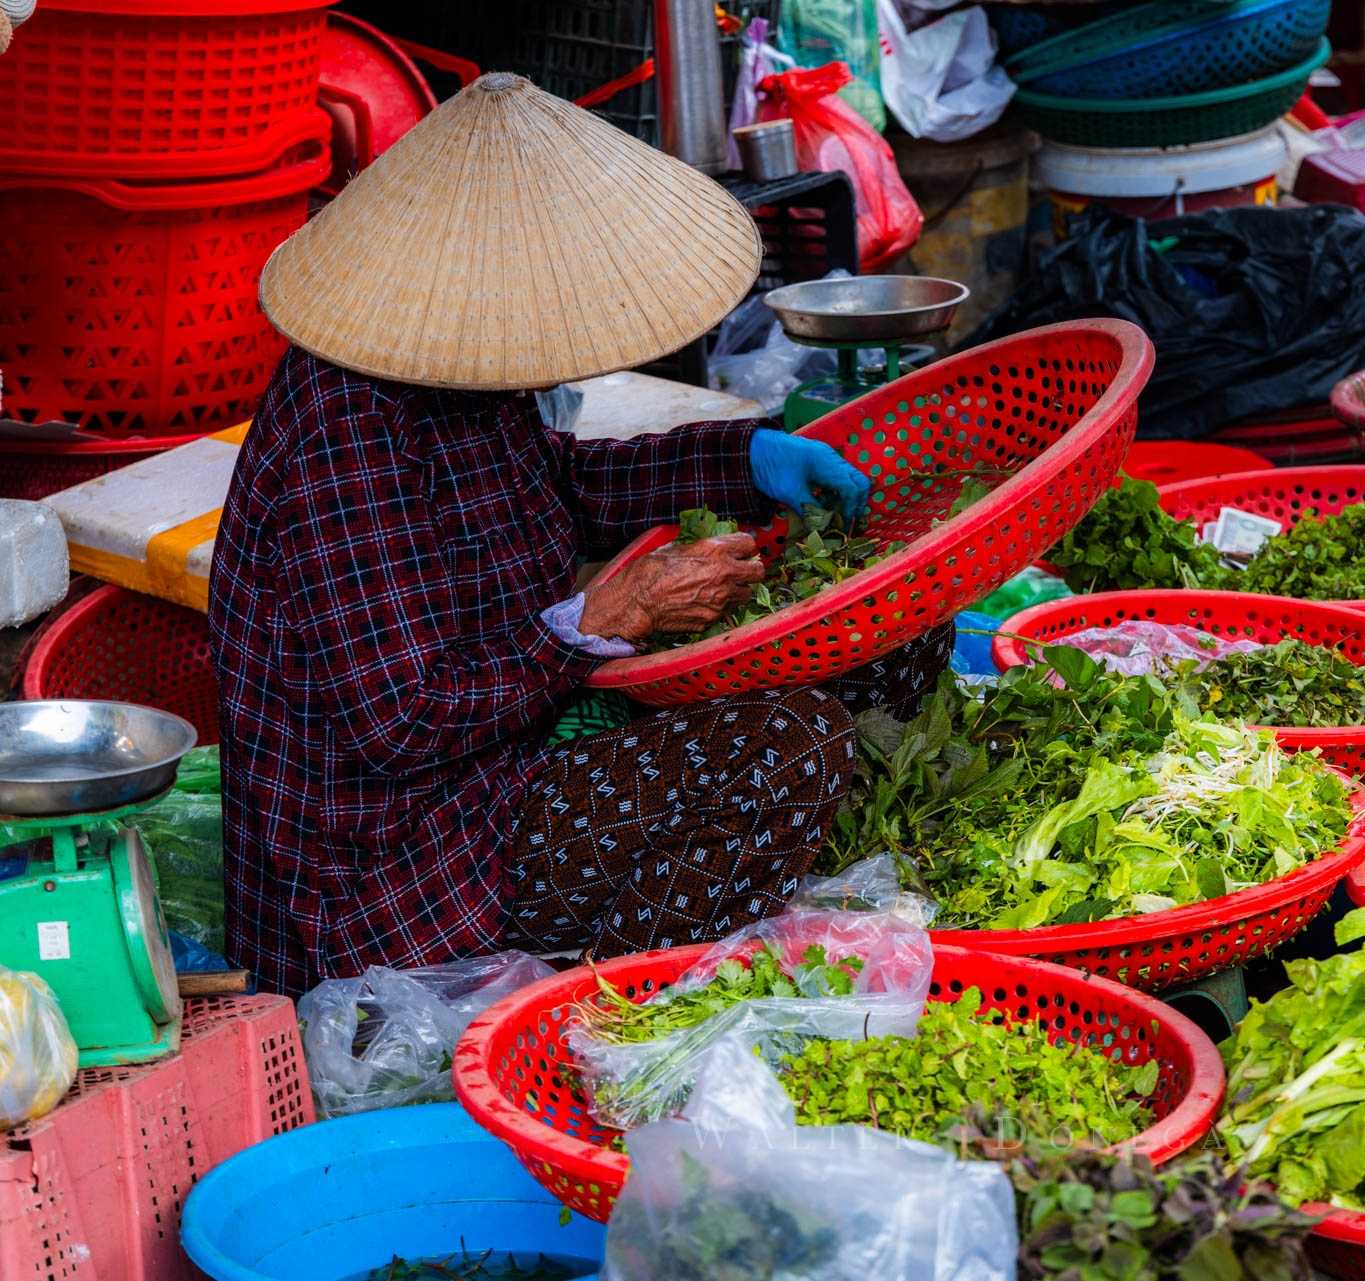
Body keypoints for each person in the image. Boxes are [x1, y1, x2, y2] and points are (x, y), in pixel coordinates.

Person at [209, 73, 946, 995]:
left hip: (514, 756)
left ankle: (822, 894)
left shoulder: (461, 371)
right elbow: (401, 721)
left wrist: (744, 459)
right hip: (399, 863)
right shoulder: (347, 426)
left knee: (894, 624)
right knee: (791, 744)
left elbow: (556, 482)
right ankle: (618, 1009)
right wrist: (608, 614)